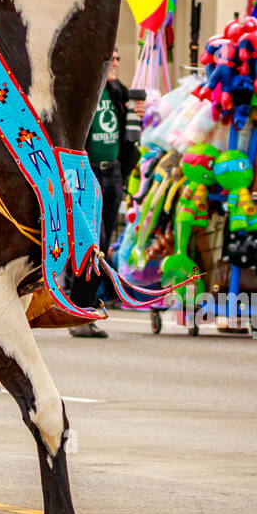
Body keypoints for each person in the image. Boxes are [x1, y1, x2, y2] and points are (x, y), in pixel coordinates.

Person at [70, 48, 145, 338]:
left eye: (117, 57)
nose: (115, 62)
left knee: (102, 244)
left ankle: (86, 312)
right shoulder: (83, 92)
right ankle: (78, 314)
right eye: (110, 57)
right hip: (87, 173)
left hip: (113, 172)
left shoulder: (118, 92)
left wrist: (137, 116)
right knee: (93, 243)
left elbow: (130, 136)